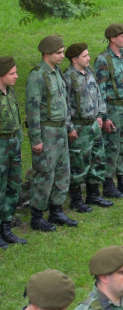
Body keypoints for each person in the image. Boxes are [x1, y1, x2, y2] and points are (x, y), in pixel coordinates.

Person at [26, 35, 77, 230]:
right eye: (58, 53)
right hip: (47, 132)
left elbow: (64, 102)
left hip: (60, 130)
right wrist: (36, 139)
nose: (62, 56)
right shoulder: (37, 76)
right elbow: (32, 110)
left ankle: (56, 210)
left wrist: (69, 127)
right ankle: (37, 216)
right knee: (44, 174)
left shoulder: (56, 72)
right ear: (47, 53)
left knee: (63, 171)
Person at [94, 24, 123, 198]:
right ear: (113, 39)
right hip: (113, 108)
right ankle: (108, 183)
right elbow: (100, 91)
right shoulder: (103, 60)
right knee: (111, 146)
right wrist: (104, 116)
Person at [63, 43, 111, 214]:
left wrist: (100, 115)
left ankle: (93, 194)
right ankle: (76, 200)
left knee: (97, 159)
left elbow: (98, 95)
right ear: (74, 59)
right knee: (79, 163)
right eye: (85, 56)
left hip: (93, 126)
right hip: (79, 127)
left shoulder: (89, 72)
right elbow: (64, 105)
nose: (89, 58)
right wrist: (69, 127)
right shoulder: (68, 78)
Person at [0, 57, 26, 246]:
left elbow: (16, 119)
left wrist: (19, 143)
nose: (16, 76)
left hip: (14, 144)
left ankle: (6, 228)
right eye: (12, 73)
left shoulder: (10, 92)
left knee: (13, 186)